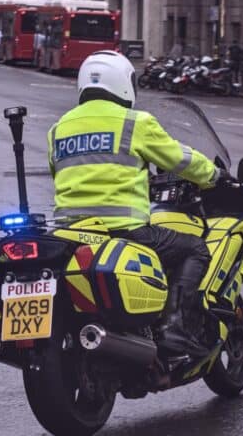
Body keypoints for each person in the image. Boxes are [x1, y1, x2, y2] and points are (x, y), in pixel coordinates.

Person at [47, 50, 226, 356]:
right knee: (195, 249)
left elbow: (59, 173)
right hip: (125, 230)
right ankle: (176, 327)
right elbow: (179, 158)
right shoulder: (135, 123)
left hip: (70, 234)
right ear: (123, 84)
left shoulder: (59, 128)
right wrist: (214, 175)